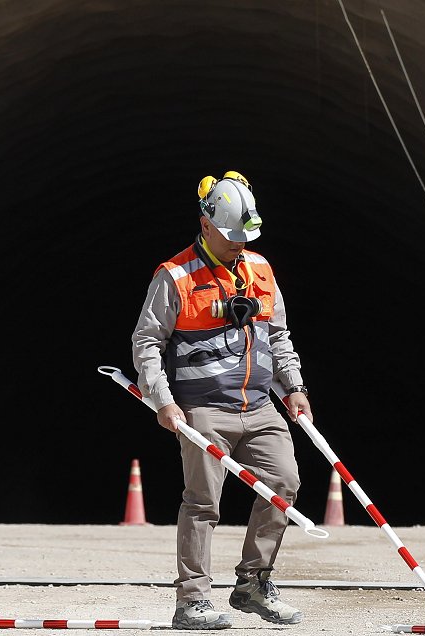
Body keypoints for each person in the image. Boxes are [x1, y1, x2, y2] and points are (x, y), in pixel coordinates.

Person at [131, 171, 313, 630]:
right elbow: (147, 342)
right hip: (203, 410)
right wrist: (163, 401)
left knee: (284, 485)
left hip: (259, 405)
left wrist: (294, 388)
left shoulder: (259, 270)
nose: (239, 245)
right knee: (202, 503)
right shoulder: (174, 277)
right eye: (232, 237)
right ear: (206, 224)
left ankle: (253, 582)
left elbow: (278, 334)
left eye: (244, 237)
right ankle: (191, 601)